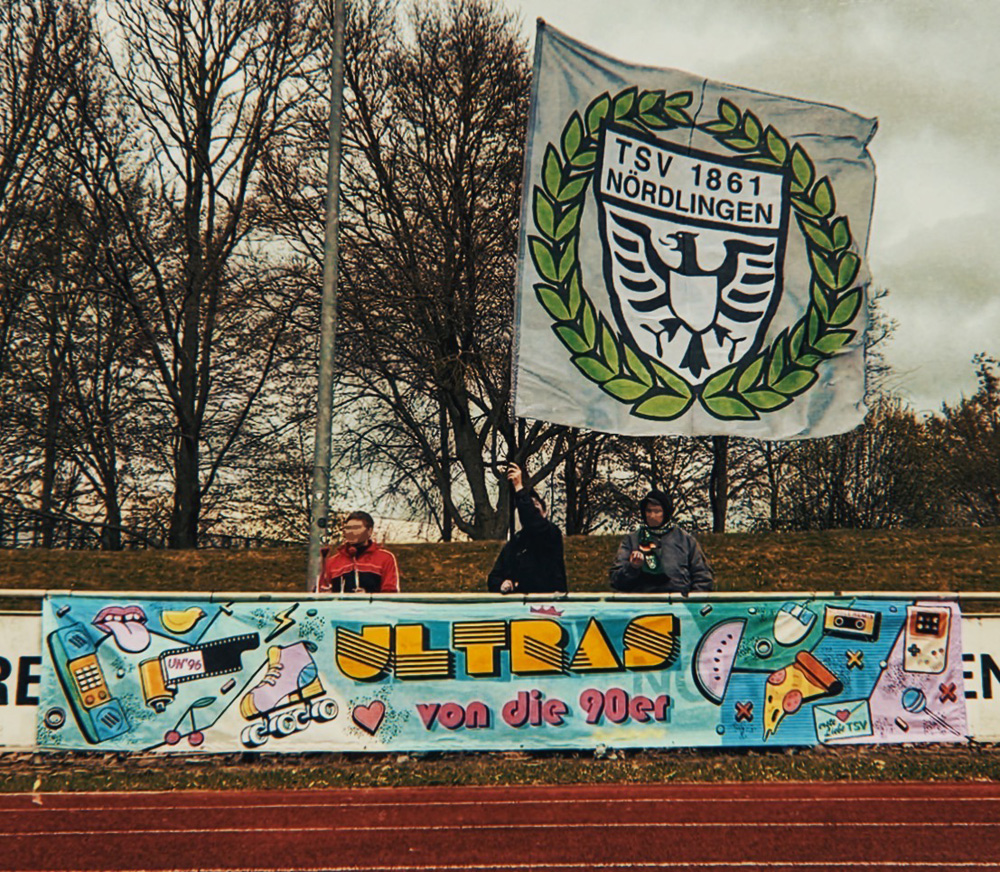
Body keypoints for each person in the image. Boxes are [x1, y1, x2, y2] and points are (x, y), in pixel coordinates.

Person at [609, 488, 714, 594]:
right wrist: (632, 568)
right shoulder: (632, 540)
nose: (652, 516)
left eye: (657, 511)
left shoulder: (685, 540)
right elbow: (616, 580)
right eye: (648, 511)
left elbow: (702, 576)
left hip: (678, 599)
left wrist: (693, 601)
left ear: (666, 512)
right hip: (642, 600)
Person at [487, 463, 567, 594]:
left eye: (536, 507)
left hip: (547, 602)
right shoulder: (515, 543)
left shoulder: (551, 533)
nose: (532, 510)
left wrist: (519, 488)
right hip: (520, 604)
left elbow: (533, 522)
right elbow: (493, 578)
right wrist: (503, 584)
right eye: (529, 506)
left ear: (545, 513)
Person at [316, 511, 400, 593]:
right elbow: (322, 591)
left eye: (356, 528)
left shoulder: (385, 558)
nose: (351, 532)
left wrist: (367, 597)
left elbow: (390, 592)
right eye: (348, 528)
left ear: (369, 531)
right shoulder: (332, 562)